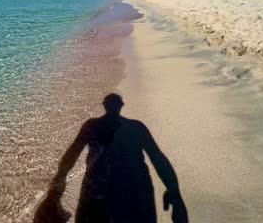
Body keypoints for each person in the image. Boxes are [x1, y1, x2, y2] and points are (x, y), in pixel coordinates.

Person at [34, 93, 188, 223]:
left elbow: (70, 157)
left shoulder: (92, 126)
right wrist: (174, 191)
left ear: (104, 105)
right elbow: (158, 158)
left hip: (99, 194)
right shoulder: (136, 127)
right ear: (121, 105)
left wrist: (55, 192)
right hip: (135, 194)